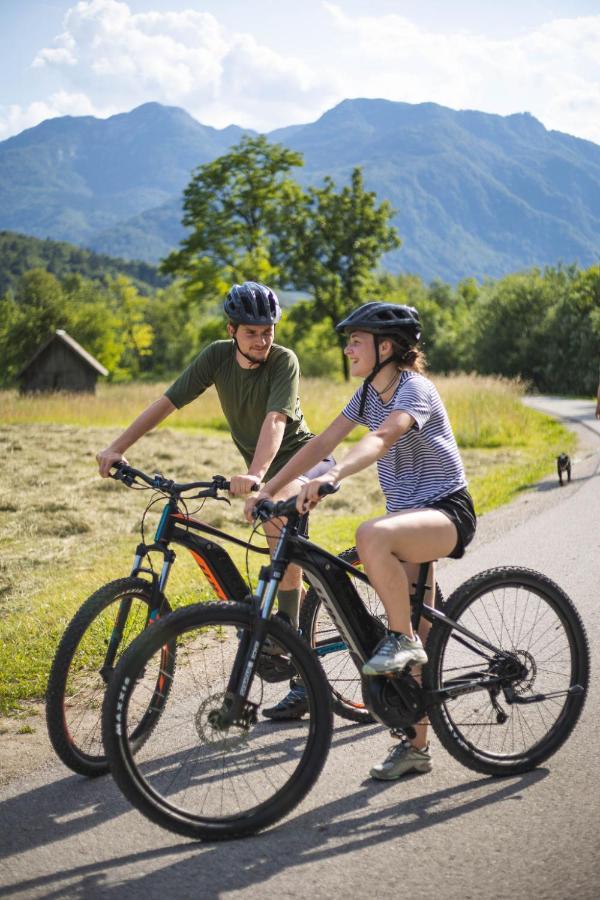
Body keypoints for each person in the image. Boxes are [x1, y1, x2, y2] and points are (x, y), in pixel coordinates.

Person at [245, 301, 476, 780]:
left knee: (370, 537)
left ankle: (401, 639)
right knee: (419, 650)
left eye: (356, 339)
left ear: (385, 346)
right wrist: (267, 488)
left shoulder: (415, 389)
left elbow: (383, 439)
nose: (348, 347)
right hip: (408, 518)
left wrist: (336, 477)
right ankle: (415, 747)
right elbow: (321, 442)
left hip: (445, 512)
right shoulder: (370, 391)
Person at [96, 280, 334, 718]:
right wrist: (118, 447)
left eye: (268, 331)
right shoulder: (216, 358)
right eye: (251, 332)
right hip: (261, 468)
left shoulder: (284, 361)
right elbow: (166, 403)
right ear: (231, 330)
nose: (262, 340)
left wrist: (257, 476)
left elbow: (276, 421)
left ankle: (298, 661)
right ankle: (276, 632)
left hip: (303, 460)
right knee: (269, 533)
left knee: (275, 519)